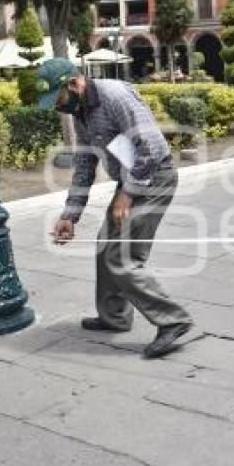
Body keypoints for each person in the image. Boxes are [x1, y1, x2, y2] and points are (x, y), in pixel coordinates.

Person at [37, 58, 193, 359]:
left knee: (121, 255)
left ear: (73, 83)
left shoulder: (115, 95)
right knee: (104, 245)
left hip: (153, 180)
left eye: (56, 99)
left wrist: (127, 193)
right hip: (130, 183)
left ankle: (173, 321)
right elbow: (84, 164)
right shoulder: (80, 112)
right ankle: (114, 316)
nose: (56, 107)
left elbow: (153, 147)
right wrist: (70, 215)